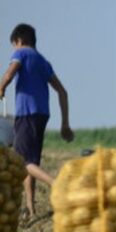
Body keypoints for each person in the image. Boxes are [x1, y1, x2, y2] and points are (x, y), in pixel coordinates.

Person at [0, 23, 74, 218]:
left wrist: (1, 87)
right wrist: (65, 124)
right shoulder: (43, 61)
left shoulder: (21, 54)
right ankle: (31, 209)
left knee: (22, 161)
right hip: (42, 115)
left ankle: (57, 184)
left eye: (14, 45)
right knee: (31, 162)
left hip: (26, 114)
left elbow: (9, 73)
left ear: (19, 41)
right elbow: (63, 92)